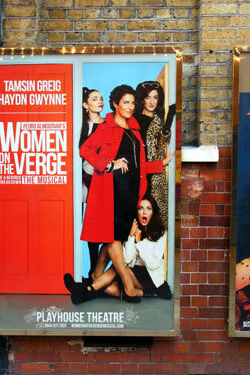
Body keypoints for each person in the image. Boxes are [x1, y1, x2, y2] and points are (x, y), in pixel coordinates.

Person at [76, 84, 174, 302]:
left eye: (132, 102)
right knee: (113, 239)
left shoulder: (135, 130)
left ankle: (94, 278)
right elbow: (85, 150)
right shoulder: (106, 128)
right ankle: (128, 287)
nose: (130, 107)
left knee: (117, 237)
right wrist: (109, 164)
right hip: (112, 194)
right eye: (125, 103)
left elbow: (140, 166)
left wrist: (161, 164)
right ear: (115, 105)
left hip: (131, 194)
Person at [65, 193, 172, 303]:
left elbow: (153, 264)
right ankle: (88, 288)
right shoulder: (133, 228)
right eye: (141, 208)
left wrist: (139, 242)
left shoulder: (161, 233)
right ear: (137, 212)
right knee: (107, 288)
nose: (144, 212)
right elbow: (127, 259)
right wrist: (131, 237)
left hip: (150, 277)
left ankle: (85, 290)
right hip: (132, 273)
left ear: (153, 212)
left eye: (148, 209)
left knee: (118, 268)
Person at [134, 81, 175, 225]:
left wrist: (169, 119)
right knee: (137, 219)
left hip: (156, 177)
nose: (152, 101)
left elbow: (162, 144)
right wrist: (161, 163)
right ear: (142, 99)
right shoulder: (134, 120)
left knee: (156, 219)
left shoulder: (158, 121)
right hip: (139, 176)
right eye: (148, 97)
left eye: (155, 97)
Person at [79, 88, 105, 279]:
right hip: (80, 179)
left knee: (96, 226)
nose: (99, 101)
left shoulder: (108, 124)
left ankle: (95, 270)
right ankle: (86, 271)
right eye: (94, 99)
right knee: (79, 224)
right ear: (85, 104)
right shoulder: (80, 125)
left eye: (101, 99)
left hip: (99, 177)